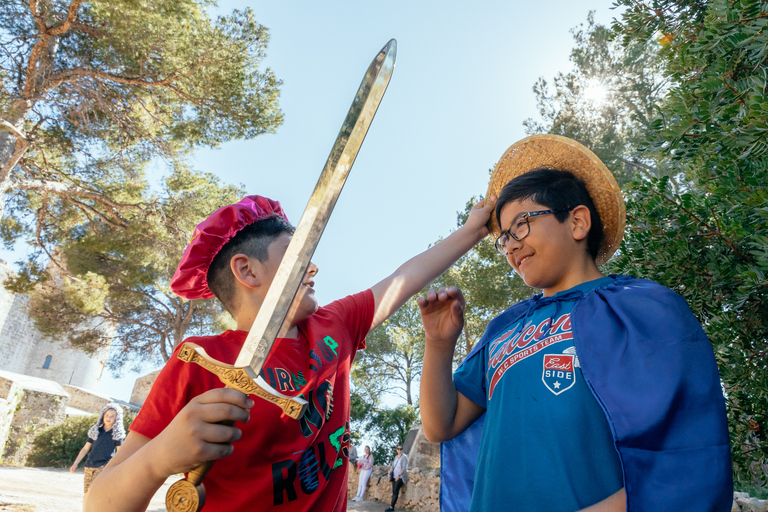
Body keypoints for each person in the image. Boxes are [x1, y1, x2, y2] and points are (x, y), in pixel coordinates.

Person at [85, 193, 495, 512]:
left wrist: (475, 229)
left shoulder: (335, 326)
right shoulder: (199, 360)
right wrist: (160, 455)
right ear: (247, 271)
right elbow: (101, 502)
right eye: (299, 257)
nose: (313, 267)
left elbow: (404, 278)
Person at [418, 135, 733, 512]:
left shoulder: (643, 307)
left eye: (521, 224)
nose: (511, 246)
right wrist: (439, 343)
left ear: (578, 222)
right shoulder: (504, 328)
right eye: (503, 239)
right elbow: (441, 426)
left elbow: (684, 453)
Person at [70, 403, 126, 509]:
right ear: (102, 416)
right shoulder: (96, 431)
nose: (109, 418)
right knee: (87, 493)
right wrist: (75, 463)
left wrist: (117, 469)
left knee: (94, 491)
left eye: (112, 416)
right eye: (107, 415)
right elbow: (85, 448)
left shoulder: (117, 435)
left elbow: (120, 453)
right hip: (89, 465)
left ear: (117, 418)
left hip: (104, 466)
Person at [386, 444, 408, 512]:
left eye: (401, 449)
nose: (399, 450)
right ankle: (391, 507)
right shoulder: (396, 457)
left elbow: (404, 468)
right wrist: (389, 474)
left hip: (400, 477)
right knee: (394, 492)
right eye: (398, 449)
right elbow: (392, 467)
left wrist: (398, 476)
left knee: (395, 492)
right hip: (394, 476)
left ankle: (391, 507)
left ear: (402, 450)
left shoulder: (404, 457)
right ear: (396, 450)